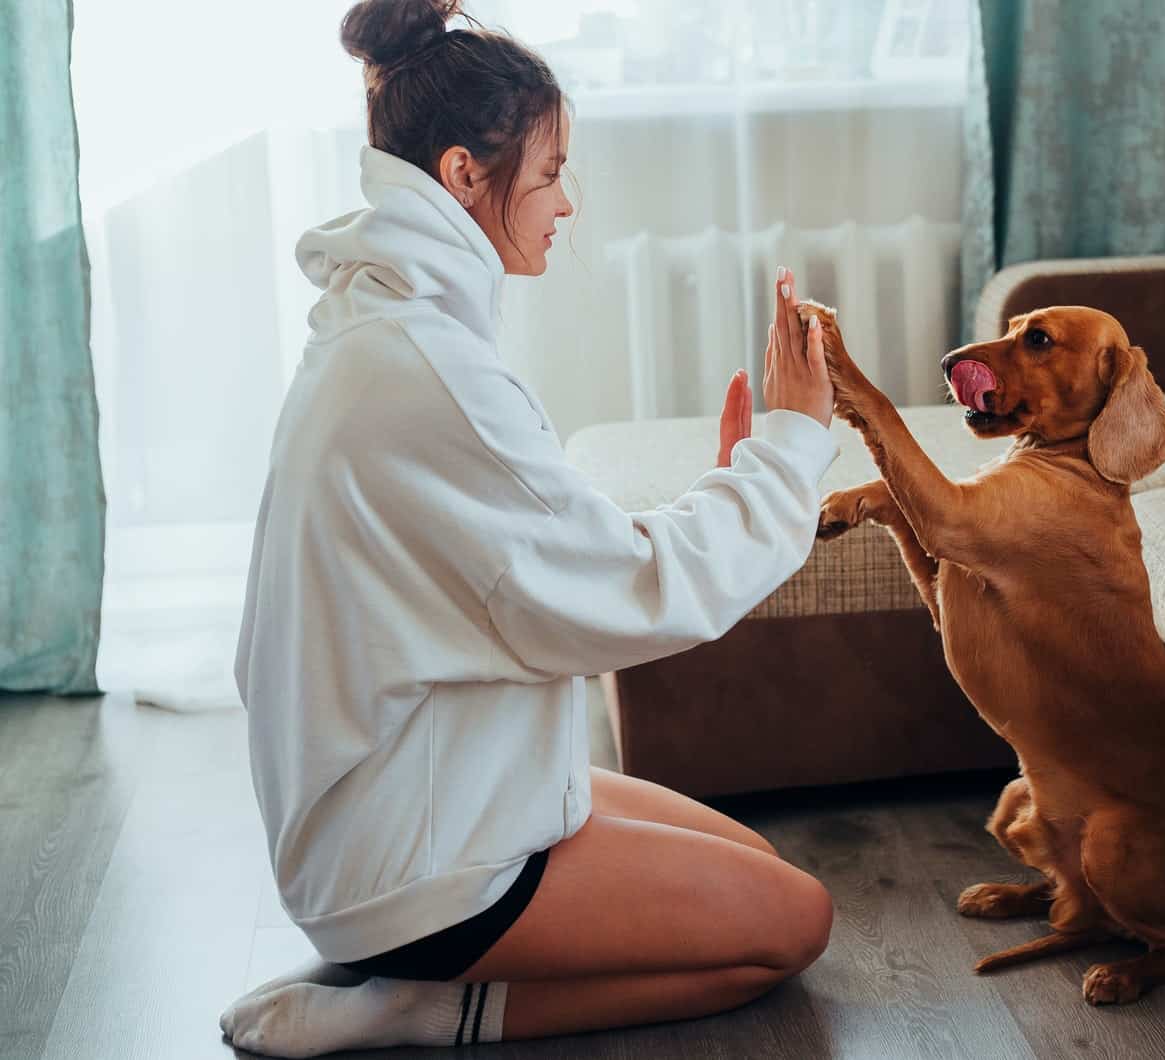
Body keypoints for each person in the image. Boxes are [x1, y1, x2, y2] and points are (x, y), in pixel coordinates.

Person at [219, 1, 838, 1054]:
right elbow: (635, 590)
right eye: (551, 172)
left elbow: (552, 558)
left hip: (417, 786)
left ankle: (420, 974)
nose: (567, 202)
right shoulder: (424, 370)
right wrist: (790, 446)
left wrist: (738, 477)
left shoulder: (390, 326)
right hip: (412, 866)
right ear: (464, 175)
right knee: (792, 925)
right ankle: (419, 1005)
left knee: (762, 874)